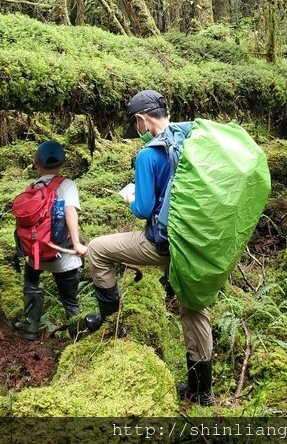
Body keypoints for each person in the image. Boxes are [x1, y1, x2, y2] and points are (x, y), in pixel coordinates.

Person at [86, 90, 214, 406]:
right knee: (195, 310)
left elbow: (143, 209)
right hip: (193, 242)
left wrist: (131, 198)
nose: (136, 128)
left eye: (135, 122)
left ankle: (112, 327)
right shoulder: (193, 140)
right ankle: (202, 393)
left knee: (97, 249)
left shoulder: (148, 155)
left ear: (142, 119)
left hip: (160, 244)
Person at [14, 141, 88, 340]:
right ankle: (78, 336)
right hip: (62, 255)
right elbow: (70, 210)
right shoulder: (67, 184)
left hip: (35, 254)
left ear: (36, 163)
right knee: (70, 300)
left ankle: (30, 327)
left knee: (31, 285)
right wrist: (77, 243)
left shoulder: (32, 187)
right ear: (62, 163)